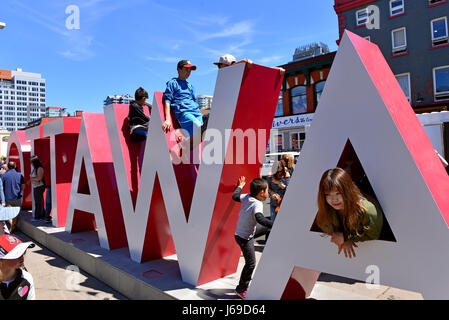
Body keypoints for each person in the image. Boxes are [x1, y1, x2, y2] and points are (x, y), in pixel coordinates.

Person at [316, 168, 384, 259]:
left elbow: (373, 234)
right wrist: (341, 237)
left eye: (338, 193)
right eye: (327, 195)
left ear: (348, 190)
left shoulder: (367, 210)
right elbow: (324, 224)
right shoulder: (328, 209)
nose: (334, 199)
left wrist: (346, 238)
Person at [232, 176, 273, 299]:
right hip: (245, 238)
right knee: (251, 264)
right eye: (267, 190)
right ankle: (241, 289)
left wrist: (240, 186)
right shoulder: (257, 204)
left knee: (267, 226)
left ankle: (271, 245)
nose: (268, 192)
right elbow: (260, 219)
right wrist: (278, 224)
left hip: (241, 232)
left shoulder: (247, 197)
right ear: (261, 193)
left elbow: (235, 196)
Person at [162, 60, 203, 139]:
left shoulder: (190, 86)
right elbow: (167, 101)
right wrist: (167, 119)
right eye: (186, 69)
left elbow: (193, 101)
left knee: (205, 131)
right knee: (197, 126)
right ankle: (186, 145)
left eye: (190, 70)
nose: (189, 72)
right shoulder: (173, 83)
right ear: (179, 69)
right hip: (184, 113)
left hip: (196, 112)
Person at [0, 234, 36, 300]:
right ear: (2, 260)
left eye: (23, 253)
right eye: (17, 255)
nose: (22, 258)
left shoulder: (26, 277)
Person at [1, 162, 24, 233]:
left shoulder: (4, 176)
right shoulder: (20, 175)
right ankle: (13, 225)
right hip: (17, 197)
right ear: (15, 166)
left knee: (7, 213)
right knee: (16, 213)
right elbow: (23, 186)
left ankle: (11, 225)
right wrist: (19, 191)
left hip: (7, 198)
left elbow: (1, 187)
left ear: (8, 167)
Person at [29, 156, 46, 222]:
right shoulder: (35, 168)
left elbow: (39, 178)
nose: (31, 163)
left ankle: (38, 216)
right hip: (36, 187)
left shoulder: (39, 168)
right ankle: (41, 215)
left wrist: (31, 179)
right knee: (38, 202)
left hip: (39, 187)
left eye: (31, 162)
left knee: (38, 202)